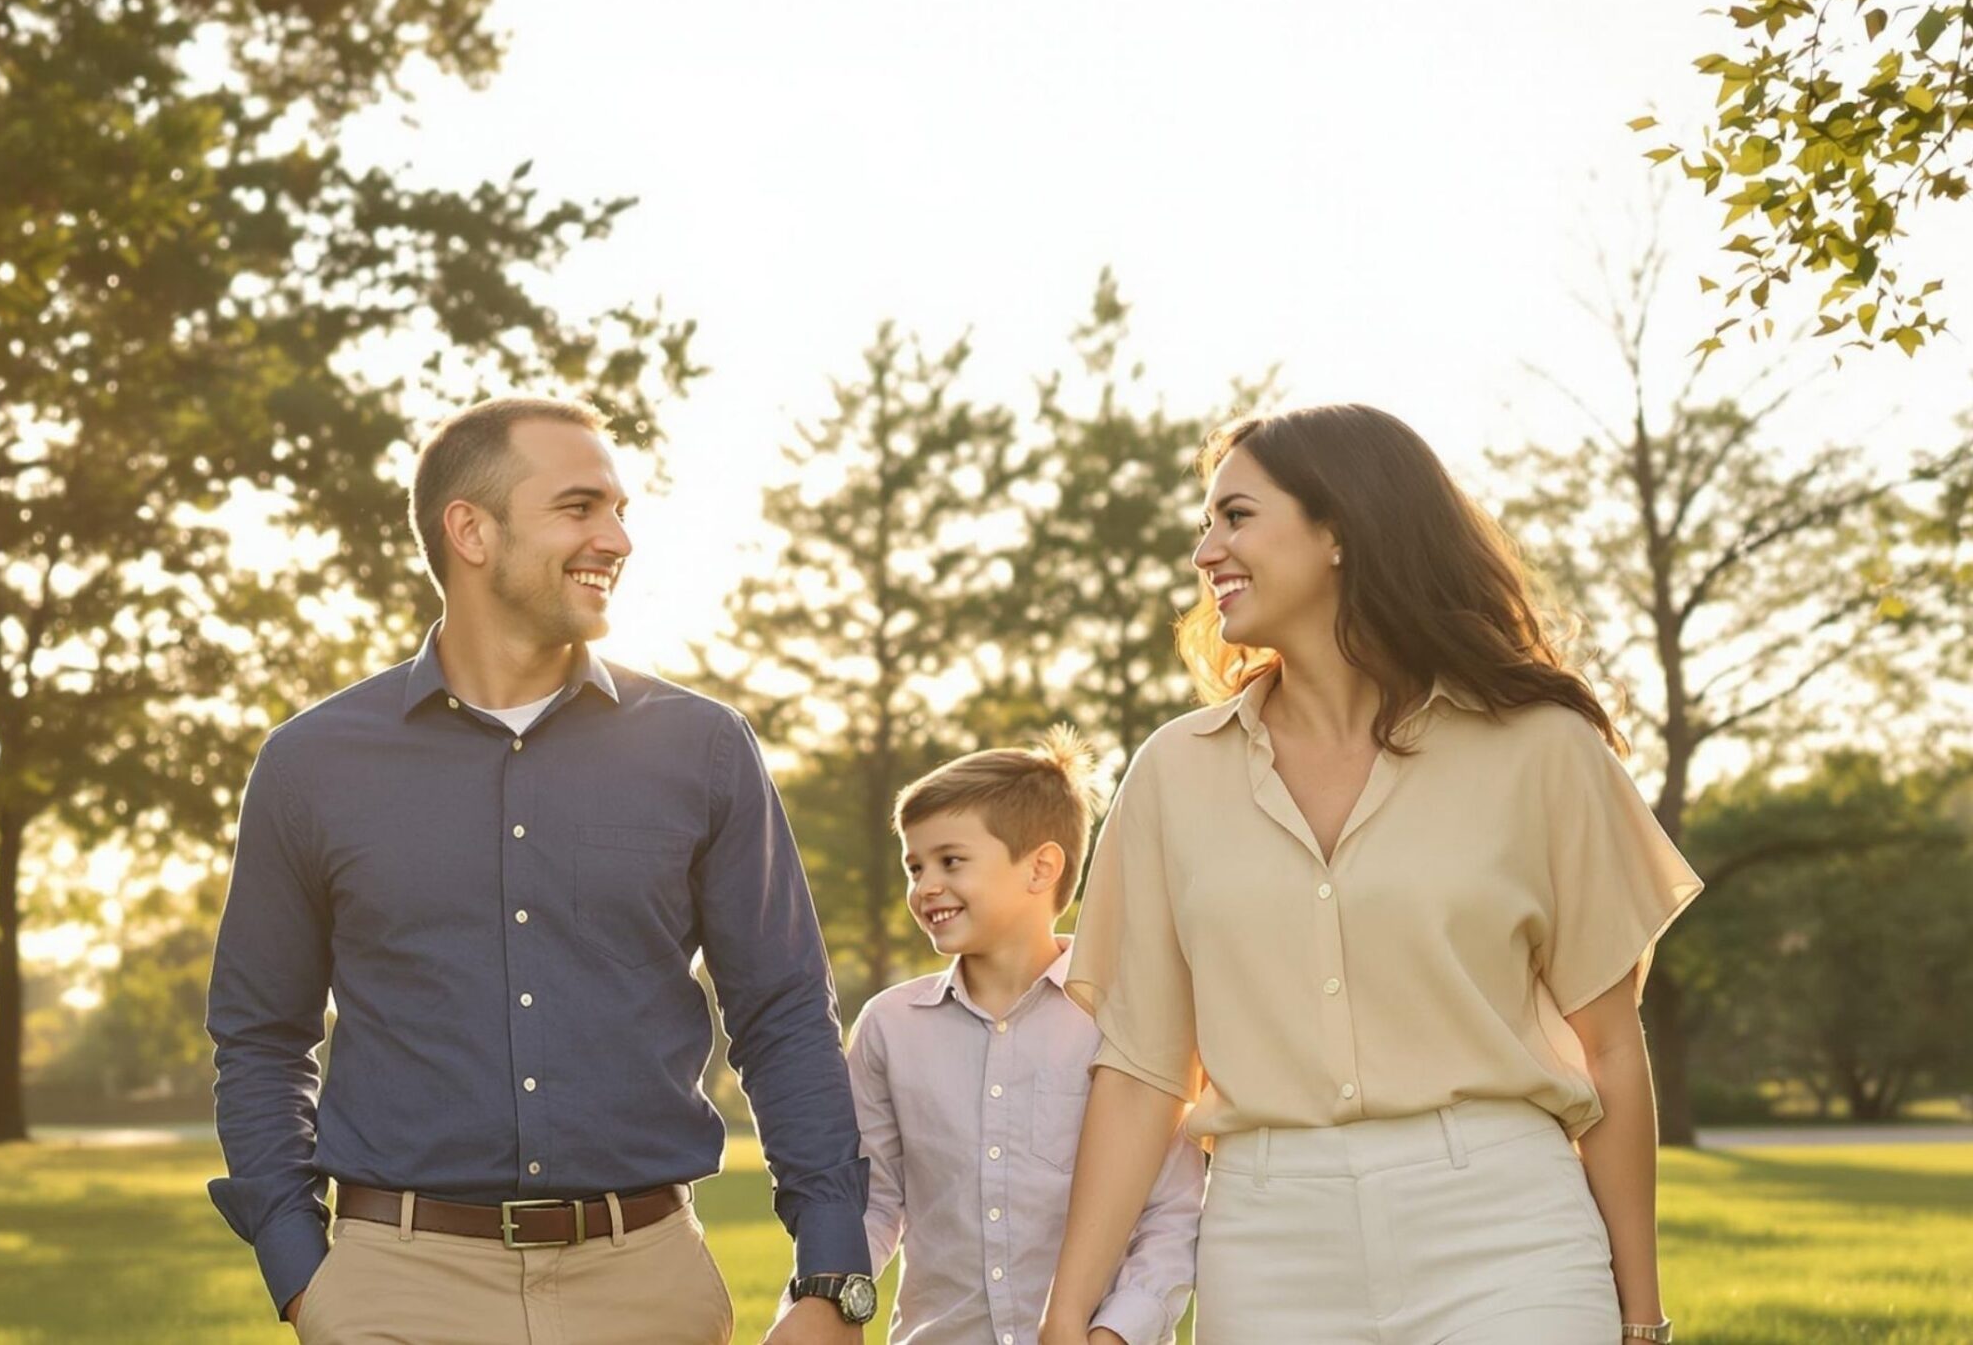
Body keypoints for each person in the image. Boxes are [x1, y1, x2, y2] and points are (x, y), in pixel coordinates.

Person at [206, 397, 876, 1345]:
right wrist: (305, 1275)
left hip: (644, 1284)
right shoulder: (311, 765)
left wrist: (833, 1270)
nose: (618, 538)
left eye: (621, 508)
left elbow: (784, 1014)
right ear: (470, 530)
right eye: (580, 507)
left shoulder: (703, 749)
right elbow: (261, 1035)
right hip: (398, 1288)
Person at [1041, 404, 1702, 1345]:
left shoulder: (1540, 749)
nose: (1204, 552)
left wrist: (1640, 1315)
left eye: (1235, 516)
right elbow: (1146, 1071)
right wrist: (1068, 1312)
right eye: (1205, 522)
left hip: (1507, 1231)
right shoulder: (1172, 774)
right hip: (1270, 1246)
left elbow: (1609, 1048)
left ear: (1339, 529)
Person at [849, 731, 1201, 1345]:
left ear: (1041, 867)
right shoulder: (887, 1027)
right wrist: (827, 1295)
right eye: (915, 866)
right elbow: (872, 1202)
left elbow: (1172, 1210)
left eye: (950, 861)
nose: (925, 884)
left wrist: (1116, 1332)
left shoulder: (1125, 1020)